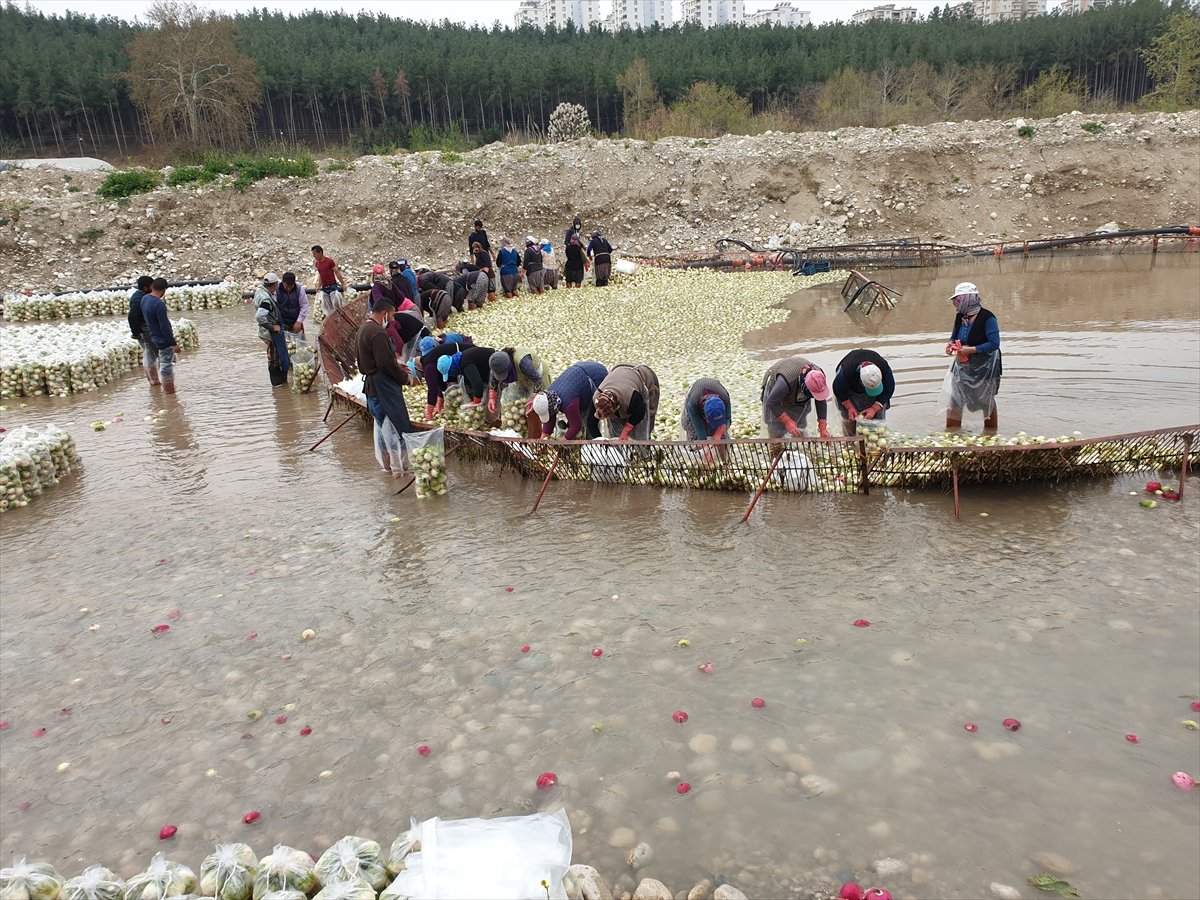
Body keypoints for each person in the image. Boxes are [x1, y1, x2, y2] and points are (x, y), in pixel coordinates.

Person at [355, 295, 415, 476]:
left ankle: (388, 468)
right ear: (384, 313)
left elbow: (378, 360)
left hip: (372, 386)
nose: (393, 319)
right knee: (395, 426)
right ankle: (399, 470)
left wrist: (396, 365)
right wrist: (405, 378)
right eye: (392, 315)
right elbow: (384, 365)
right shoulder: (378, 333)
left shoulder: (364, 329)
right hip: (383, 388)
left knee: (382, 426)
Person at [944, 281, 1002, 430]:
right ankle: (952, 433)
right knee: (956, 398)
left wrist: (971, 350)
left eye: (957, 300)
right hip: (963, 365)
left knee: (985, 399)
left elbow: (994, 343)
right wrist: (950, 345)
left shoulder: (987, 318)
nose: (955, 304)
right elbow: (954, 335)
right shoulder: (960, 317)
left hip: (985, 366)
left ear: (968, 299)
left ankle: (990, 434)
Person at [527, 361, 608, 440]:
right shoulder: (549, 396)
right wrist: (544, 436)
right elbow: (550, 417)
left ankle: (596, 445)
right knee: (575, 418)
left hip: (596, 375)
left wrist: (562, 443)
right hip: (580, 373)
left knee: (589, 422)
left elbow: (576, 425)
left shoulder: (569, 404)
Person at [760, 357, 832, 439]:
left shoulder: (819, 377)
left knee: (800, 422)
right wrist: (787, 421)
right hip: (776, 381)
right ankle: (776, 448)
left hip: (796, 385)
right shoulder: (785, 383)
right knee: (776, 426)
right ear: (805, 387)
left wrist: (822, 428)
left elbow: (821, 400)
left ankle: (796, 447)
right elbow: (771, 402)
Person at [831, 349, 894, 435]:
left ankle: (875, 441)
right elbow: (839, 390)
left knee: (878, 420)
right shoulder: (846, 372)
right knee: (850, 417)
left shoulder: (883, 368)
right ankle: (851, 442)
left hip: (871, 383)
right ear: (861, 381)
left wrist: (874, 408)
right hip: (851, 387)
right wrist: (849, 406)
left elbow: (888, 389)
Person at [593, 362, 660, 441]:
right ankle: (619, 451)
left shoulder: (631, 396)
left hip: (643, 376)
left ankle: (642, 451)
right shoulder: (596, 397)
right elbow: (591, 423)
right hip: (619, 373)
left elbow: (640, 412)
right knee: (615, 430)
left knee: (641, 430)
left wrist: (626, 431)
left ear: (617, 406)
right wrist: (600, 440)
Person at [141, 278, 180, 394]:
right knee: (166, 365)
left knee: (158, 361)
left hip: (151, 336)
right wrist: (173, 343)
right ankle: (169, 392)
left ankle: (156, 386)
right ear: (163, 290)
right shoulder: (159, 304)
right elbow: (164, 327)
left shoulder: (145, 299)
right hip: (162, 340)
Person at [418, 337, 473, 420]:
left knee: (471, 385)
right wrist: (440, 401)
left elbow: (432, 390)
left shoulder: (428, 367)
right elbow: (440, 381)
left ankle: (475, 407)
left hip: (468, 355)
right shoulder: (432, 360)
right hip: (467, 352)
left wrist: (429, 414)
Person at [487, 347, 550, 419]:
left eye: (505, 373)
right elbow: (493, 378)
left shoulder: (524, 363)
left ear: (509, 366)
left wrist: (535, 395)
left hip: (536, 376)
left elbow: (537, 380)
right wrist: (492, 396)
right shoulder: (496, 364)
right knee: (511, 401)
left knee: (540, 405)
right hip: (520, 378)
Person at [436, 344, 496, 410]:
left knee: (493, 397)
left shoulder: (465, 364)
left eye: (450, 373)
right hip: (487, 369)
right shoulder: (459, 360)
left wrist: (476, 402)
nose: (452, 375)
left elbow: (477, 383)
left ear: (451, 368)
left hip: (496, 364)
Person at [255, 273, 290, 387]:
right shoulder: (266, 299)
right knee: (274, 358)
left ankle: (281, 383)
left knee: (276, 356)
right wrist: (272, 326)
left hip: (269, 331)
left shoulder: (260, 291)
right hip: (270, 333)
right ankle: (277, 385)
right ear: (274, 284)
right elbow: (260, 316)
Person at [127, 275, 158, 385]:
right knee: (149, 353)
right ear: (145, 288)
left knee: (151, 354)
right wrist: (136, 333)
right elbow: (132, 316)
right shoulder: (138, 299)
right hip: (143, 331)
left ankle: (154, 380)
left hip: (146, 330)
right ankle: (153, 380)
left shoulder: (143, 296)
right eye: (151, 286)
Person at [681, 378, 731, 442]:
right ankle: (694, 450)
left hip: (718, 390)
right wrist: (705, 446)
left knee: (722, 435)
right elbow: (699, 428)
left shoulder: (725, 399)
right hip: (695, 395)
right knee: (693, 432)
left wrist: (718, 434)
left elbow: (727, 418)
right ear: (706, 417)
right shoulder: (693, 404)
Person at [311, 245, 347, 316]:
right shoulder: (317, 264)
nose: (314, 256)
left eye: (314, 254)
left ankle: (341, 318)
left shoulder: (329, 261)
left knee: (337, 306)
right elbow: (320, 275)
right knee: (327, 309)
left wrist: (343, 284)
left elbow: (336, 272)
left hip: (332, 286)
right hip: (324, 287)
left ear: (320, 252)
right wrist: (319, 286)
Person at [275, 272, 308, 341]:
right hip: (282, 322)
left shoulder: (299, 289)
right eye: (287, 286)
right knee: (285, 344)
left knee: (301, 344)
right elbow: (273, 307)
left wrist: (299, 321)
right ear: (282, 282)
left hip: (295, 321)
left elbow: (304, 305)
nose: (289, 289)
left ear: (294, 283)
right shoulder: (276, 289)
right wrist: (276, 322)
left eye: (291, 286)